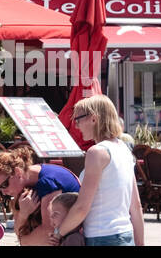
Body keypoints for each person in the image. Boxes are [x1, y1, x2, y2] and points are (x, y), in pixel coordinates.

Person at [55, 95, 144, 246]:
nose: (76, 126)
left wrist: (58, 233)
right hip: (125, 235)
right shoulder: (124, 149)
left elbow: (82, 207)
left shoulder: (96, 152)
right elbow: (135, 206)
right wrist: (140, 243)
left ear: (94, 119)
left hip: (101, 237)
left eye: (78, 120)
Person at [0, 146, 80, 246]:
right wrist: (23, 214)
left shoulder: (48, 182)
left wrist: (23, 241)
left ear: (17, 172)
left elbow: (48, 232)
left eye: (4, 185)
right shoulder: (25, 183)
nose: (3, 192)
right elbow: (18, 232)